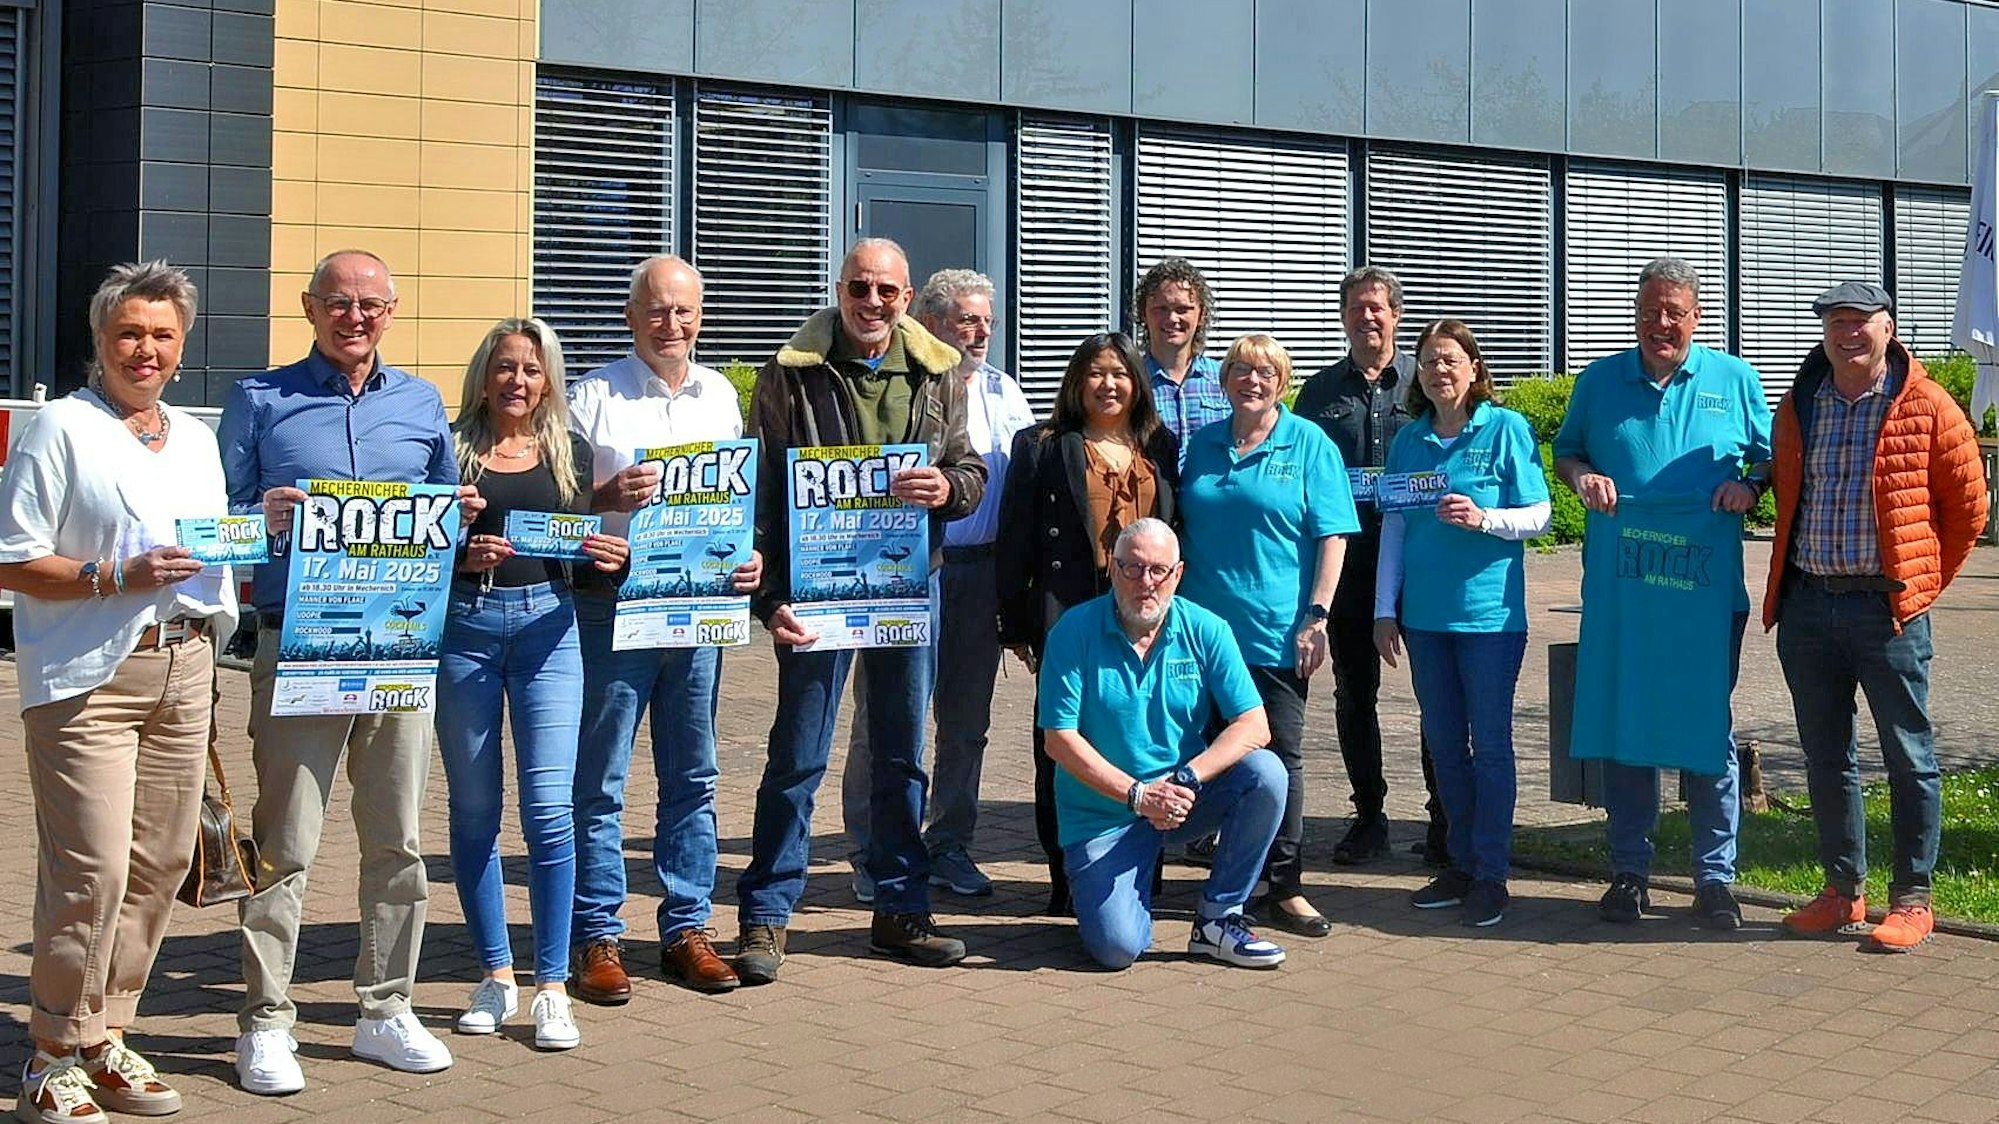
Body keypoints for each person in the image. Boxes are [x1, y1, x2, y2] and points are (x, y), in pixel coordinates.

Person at [221, 249, 476, 1093]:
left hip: (399, 651)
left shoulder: (422, 403)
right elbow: (212, 521)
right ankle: (265, 1021)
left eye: (370, 305)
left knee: (397, 840)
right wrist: (258, 515)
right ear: (309, 307)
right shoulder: (259, 399)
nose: (354, 317)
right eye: (338, 302)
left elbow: (446, 521)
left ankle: (385, 1009)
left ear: (391, 312)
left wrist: (461, 519)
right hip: (299, 643)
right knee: (286, 842)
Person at [0, 262, 237, 1124]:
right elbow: (12, 558)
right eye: (130, 332)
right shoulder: (60, 428)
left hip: (185, 667)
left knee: (160, 864)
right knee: (90, 869)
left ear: (183, 343)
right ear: (100, 339)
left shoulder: (195, 438)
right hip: (88, 677)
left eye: (162, 334)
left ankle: (106, 1034)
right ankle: (50, 1054)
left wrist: (263, 526)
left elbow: (209, 543)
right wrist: (111, 576)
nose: (146, 349)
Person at [736, 238, 986, 983]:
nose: (871, 302)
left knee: (902, 754)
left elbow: (968, 467)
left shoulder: (940, 372)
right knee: (798, 754)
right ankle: (766, 913)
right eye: (859, 287)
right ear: (839, 288)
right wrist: (769, 599)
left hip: (905, 587)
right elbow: (762, 488)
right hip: (816, 592)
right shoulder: (790, 372)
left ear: (907, 298)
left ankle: (901, 908)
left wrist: (949, 489)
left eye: (886, 290)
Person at [1553, 257, 1771, 930]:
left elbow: (1770, 458)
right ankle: (1629, 872)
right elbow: (1567, 453)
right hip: (1625, 593)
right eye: (1649, 311)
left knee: (1705, 726)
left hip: (1706, 597)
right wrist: (1582, 478)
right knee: (1627, 725)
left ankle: (1714, 879)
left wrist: (1749, 486)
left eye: (1674, 312)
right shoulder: (1599, 381)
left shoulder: (1735, 379)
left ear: (1696, 317)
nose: (1661, 324)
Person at [1768, 283, 1988, 952]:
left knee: (1908, 756)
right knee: (1825, 755)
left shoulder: (1927, 404)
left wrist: (1920, 584)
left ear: (1887, 328)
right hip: (1809, 606)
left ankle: (1912, 900)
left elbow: (1969, 509)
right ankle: (1842, 891)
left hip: (1887, 612)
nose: (1847, 333)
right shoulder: (1801, 403)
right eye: (1836, 321)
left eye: (1860, 321)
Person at [565, 255, 761, 1002]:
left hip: (699, 611)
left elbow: (737, 504)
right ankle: (597, 935)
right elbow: (555, 500)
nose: (669, 323)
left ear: (700, 317)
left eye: (683, 310)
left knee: (693, 775)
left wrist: (750, 556)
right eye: (655, 309)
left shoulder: (720, 395)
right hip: (613, 607)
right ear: (630, 317)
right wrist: (604, 494)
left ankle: (687, 929)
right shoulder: (592, 396)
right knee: (600, 778)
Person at [435, 318, 631, 1049]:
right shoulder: (448, 448)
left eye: (532, 368)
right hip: (466, 630)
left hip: (549, 628)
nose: (517, 380)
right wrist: (459, 553)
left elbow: (576, 555)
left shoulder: (569, 451)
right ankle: (495, 975)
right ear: (483, 374)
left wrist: (610, 561)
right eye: (505, 366)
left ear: (548, 381)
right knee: (474, 811)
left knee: (550, 812)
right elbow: (414, 546)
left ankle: (552, 985)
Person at [842, 268, 1036, 903]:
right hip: (906, 569)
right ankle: (872, 850)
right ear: (929, 323)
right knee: (885, 717)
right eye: (966, 320)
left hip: (981, 573)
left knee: (966, 720)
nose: (980, 332)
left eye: (986, 322)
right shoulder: (908, 386)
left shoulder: (1007, 392)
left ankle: (950, 843)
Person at [1039, 518, 1287, 970]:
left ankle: (1218, 920)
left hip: (1181, 799)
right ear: (1112, 568)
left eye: (1158, 570)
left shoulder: (1207, 628)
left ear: (1178, 573)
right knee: (1117, 949)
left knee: (1266, 772)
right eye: (1132, 568)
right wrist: (1138, 795)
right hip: (1103, 815)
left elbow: (1254, 725)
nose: (1146, 582)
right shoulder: (1072, 631)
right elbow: (1058, 740)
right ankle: (1113, 898)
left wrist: (1186, 779)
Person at [1177, 333, 1358, 938]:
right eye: (1241, 370)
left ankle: (1284, 884)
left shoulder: (1309, 443)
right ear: (1224, 380)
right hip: (1199, 636)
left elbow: (1333, 536)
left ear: (1282, 383)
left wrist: (1317, 616)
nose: (1252, 381)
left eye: (1265, 372)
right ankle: (1219, 875)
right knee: (1199, 752)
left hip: (1274, 633)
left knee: (1279, 759)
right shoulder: (1201, 445)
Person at [1373, 320, 1551, 927]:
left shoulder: (1505, 428)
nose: (1438, 371)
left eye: (1450, 360)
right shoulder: (1410, 440)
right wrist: (1385, 609)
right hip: (1426, 620)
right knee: (1445, 747)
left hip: (1489, 620)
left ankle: (1492, 874)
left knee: (1491, 748)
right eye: (1428, 361)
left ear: (1474, 368)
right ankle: (1460, 863)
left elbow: (1541, 515)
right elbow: (1395, 527)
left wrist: (1484, 519)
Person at [997, 332, 1180, 915]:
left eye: (1120, 373)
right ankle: (1067, 876)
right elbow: (1016, 538)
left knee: (1141, 736)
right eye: (1097, 373)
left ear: (1137, 384)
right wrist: (1017, 624)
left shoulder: (1161, 444)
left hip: (1145, 613)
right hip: (1070, 614)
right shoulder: (1043, 446)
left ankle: (1140, 870)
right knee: (1062, 741)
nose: (1109, 384)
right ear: (1077, 381)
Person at [1292, 266, 1450, 867]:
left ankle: (1444, 817)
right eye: (1355, 308)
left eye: (1377, 307)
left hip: (1422, 561)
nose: (1366, 317)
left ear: (1396, 315)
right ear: (1343, 316)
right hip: (1352, 564)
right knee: (1355, 694)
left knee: (1435, 691)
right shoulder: (1318, 393)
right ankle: (1368, 816)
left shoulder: (1425, 379)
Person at [1132, 258, 1230, 459]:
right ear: (1143, 314)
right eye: (1161, 309)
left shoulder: (1225, 379)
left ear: (1201, 314)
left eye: (1183, 309)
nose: (1172, 319)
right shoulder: (1131, 382)